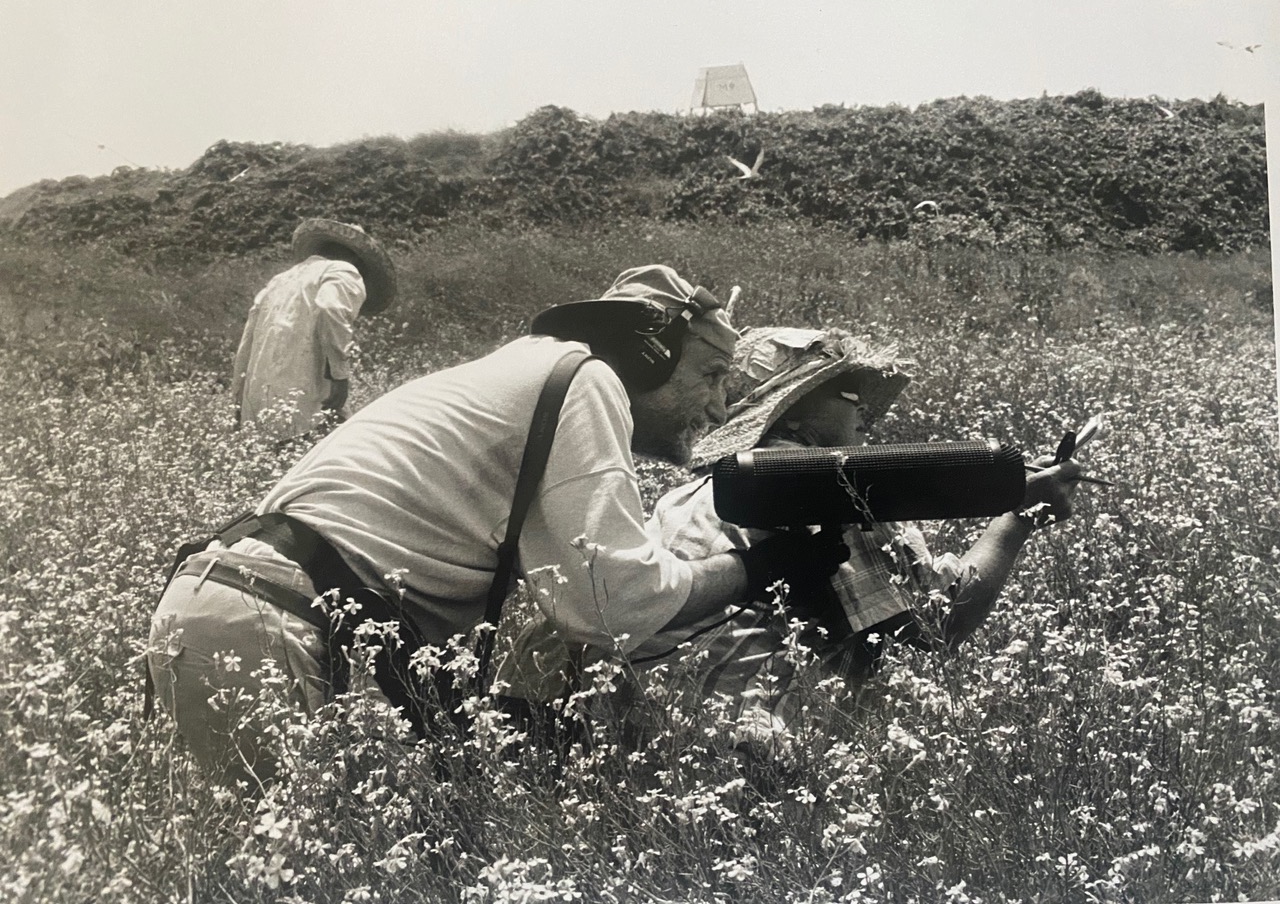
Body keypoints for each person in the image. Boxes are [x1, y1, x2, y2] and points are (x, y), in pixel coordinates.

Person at [147, 268, 848, 788]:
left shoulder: (529, 375)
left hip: (232, 608)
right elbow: (616, 605)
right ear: (649, 355)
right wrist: (762, 568)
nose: (721, 405)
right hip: (280, 630)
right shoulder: (586, 379)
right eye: (713, 373)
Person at [499, 326, 1085, 757]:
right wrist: (1020, 517)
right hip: (756, 763)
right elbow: (933, 628)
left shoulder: (703, 492)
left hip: (647, 750)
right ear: (795, 409)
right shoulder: (824, 490)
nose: (869, 415)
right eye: (850, 395)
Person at [231, 218, 397, 441]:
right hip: (308, 398)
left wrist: (239, 401)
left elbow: (246, 342)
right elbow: (331, 308)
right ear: (357, 258)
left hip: (263, 401)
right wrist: (339, 377)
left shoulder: (279, 280)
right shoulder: (344, 270)